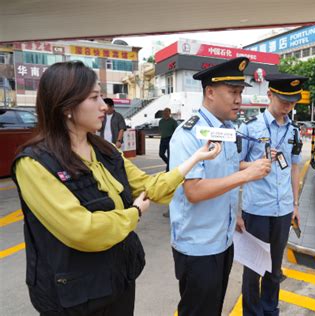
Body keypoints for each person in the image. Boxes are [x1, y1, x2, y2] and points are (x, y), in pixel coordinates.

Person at [11, 61, 221, 316]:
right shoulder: (34, 163)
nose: (103, 106)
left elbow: (150, 186)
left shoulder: (105, 150)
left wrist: (194, 159)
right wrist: (134, 213)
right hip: (72, 297)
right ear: (66, 106)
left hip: (117, 281)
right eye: (94, 97)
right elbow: (82, 229)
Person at [168, 57, 272, 316]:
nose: (239, 100)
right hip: (198, 246)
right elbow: (194, 191)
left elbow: (224, 170)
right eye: (233, 92)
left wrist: (233, 211)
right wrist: (247, 176)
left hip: (222, 240)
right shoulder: (189, 134)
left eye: (241, 92)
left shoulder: (226, 130)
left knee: (212, 309)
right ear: (210, 92)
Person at [238, 73, 307, 316]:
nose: (288, 106)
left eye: (292, 101)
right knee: (253, 269)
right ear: (269, 95)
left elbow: (295, 166)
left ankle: (269, 310)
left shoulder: (294, 132)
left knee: (274, 268)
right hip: (256, 209)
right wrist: (255, 164)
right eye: (283, 100)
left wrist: (296, 204)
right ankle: (251, 312)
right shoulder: (249, 128)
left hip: (283, 209)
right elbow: (235, 165)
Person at [158, 107, 178, 172]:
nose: (165, 113)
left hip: (170, 139)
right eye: (164, 112)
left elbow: (176, 131)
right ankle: (170, 164)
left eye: (167, 112)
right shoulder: (161, 121)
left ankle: (168, 169)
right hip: (163, 139)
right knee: (161, 154)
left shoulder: (173, 121)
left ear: (169, 113)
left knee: (170, 155)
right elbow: (160, 129)